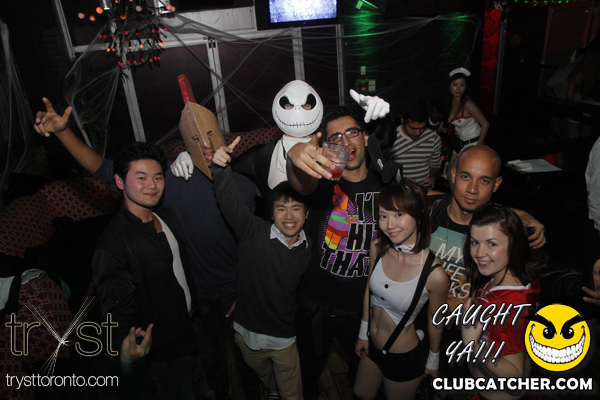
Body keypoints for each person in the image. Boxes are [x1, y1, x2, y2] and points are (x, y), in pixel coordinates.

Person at [287, 106, 545, 398]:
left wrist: (519, 215)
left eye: (352, 132)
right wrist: (294, 157)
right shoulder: (323, 181)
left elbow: (451, 198)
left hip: (381, 314)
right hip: (323, 306)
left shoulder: (390, 184)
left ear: (366, 137)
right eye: (336, 137)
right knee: (312, 380)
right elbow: (300, 184)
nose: (345, 142)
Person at [33, 97, 259, 400]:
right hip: (191, 293)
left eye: (210, 135)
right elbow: (104, 169)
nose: (205, 144)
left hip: (233, 288)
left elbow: (252, 243)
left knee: (246, 351)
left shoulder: (243, 187)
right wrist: (63, 132)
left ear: (223, 136)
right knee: (206, 353)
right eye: (194, 138)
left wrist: (247, 289)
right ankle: (221, 391)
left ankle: (252, 391)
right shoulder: (170, 180)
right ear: (185, 142)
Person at [92, 142, 198, 399]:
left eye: (158, 177)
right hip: (163, 351)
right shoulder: (113, 245)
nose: (152, 185)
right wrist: (123, 347)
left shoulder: (164, 216)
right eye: (141, 178)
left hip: (188, 329)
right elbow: (115, 307)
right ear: (119, 182)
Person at [211, 136, 312, 400]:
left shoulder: (308, 247)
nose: (288, 216)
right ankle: (272, 390)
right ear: (271, 213)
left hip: (284, 339)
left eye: (296, 208)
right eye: (281, 208)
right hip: (247, 335)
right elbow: (229, 202)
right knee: (265, 378)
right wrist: (219, 168)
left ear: (306, 214)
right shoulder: (252, 232)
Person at [354, 182, 449, 400]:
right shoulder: (378, 247)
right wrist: (362, 333)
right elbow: (369, 291)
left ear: (419, 214)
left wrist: (433, 361)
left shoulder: (434, 274)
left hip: (403, 357)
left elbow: (435, 321)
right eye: (383, 215)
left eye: (399, 214)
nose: (390, 224)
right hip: (372, 345)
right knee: (361, 393)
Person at [461, 204, 541, 400]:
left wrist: (472, 345)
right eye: (475, 242)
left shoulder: (507, 306)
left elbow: (516, 378)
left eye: (492, 244)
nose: (479, 253)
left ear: (513, 245)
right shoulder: (516, 276)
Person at [442, 67, 489, 170]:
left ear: (465, 87)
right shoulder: (449, 103)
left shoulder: (467, 104)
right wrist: (444, 126)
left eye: (462, 85)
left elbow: (485, 124)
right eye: (455, 84)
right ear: (449, 86)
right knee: (450, 172)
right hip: (459, 143)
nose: (458, 89)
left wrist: (478, 146)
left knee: (458, 172)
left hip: (473, 142)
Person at [389, 98, 442, 187]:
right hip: (399, 191)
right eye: (412, 128)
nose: (417, 133)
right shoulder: (390, 138)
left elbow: (435, 166)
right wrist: (402, 181)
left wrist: (432, 178)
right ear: (402, 120)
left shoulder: (433, 138)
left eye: (422, 128)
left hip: (424, 190)